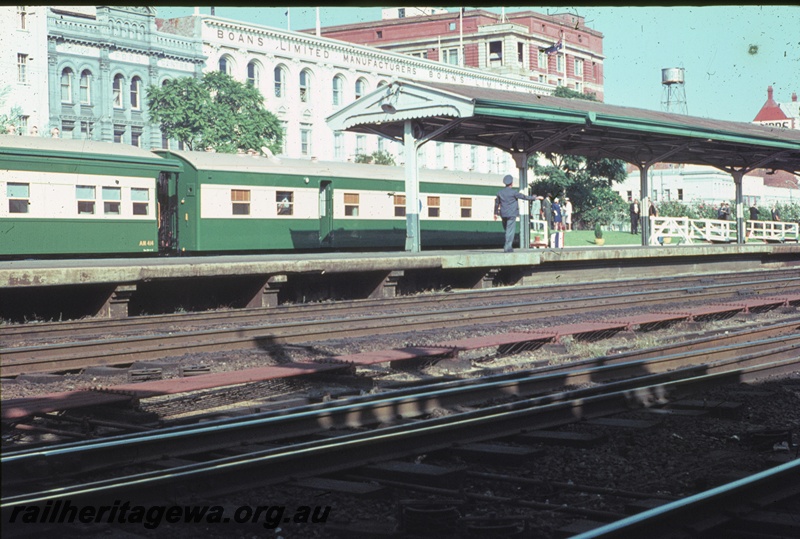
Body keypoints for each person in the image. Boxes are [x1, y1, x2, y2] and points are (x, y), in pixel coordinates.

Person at [494, 174, 537, 253]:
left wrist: (495, 213)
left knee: (507, 230)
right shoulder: (513, 192)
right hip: (511, 214)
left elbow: (496, 203)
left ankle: (508, 246)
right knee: (510, 231)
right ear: (511, 183)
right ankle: (507, 247)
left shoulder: (500, 192)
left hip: (503, 214)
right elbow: (524, 197)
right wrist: (534, 198)